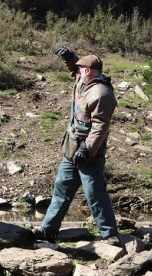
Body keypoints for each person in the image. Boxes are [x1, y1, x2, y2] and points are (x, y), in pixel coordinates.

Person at [32, 47, 120, 246]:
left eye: (80, 68)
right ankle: (48, 230)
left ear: (88, 71)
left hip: (89, 151)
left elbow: (101, 126)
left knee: (94, 192)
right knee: (61, 188)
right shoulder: (83, 81)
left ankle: (110, 234)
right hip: (71, 147)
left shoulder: (102, 93)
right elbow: (74, 70)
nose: (77, 71)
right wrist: (70, 59)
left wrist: (87, 149)